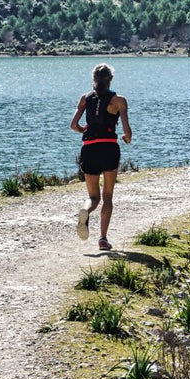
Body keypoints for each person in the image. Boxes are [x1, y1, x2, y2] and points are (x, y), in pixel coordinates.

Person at [70, 63, 132, 251]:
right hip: (109, 148)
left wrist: (83, 129)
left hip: (89, 149)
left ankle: (86, 211)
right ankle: (103, 239)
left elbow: (73, 124)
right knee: (108, 196)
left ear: (94, 80)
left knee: (94, 197)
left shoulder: (84, 98)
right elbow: (128, 132)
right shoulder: (119, 100)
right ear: (110, 79)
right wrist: (125, 137)